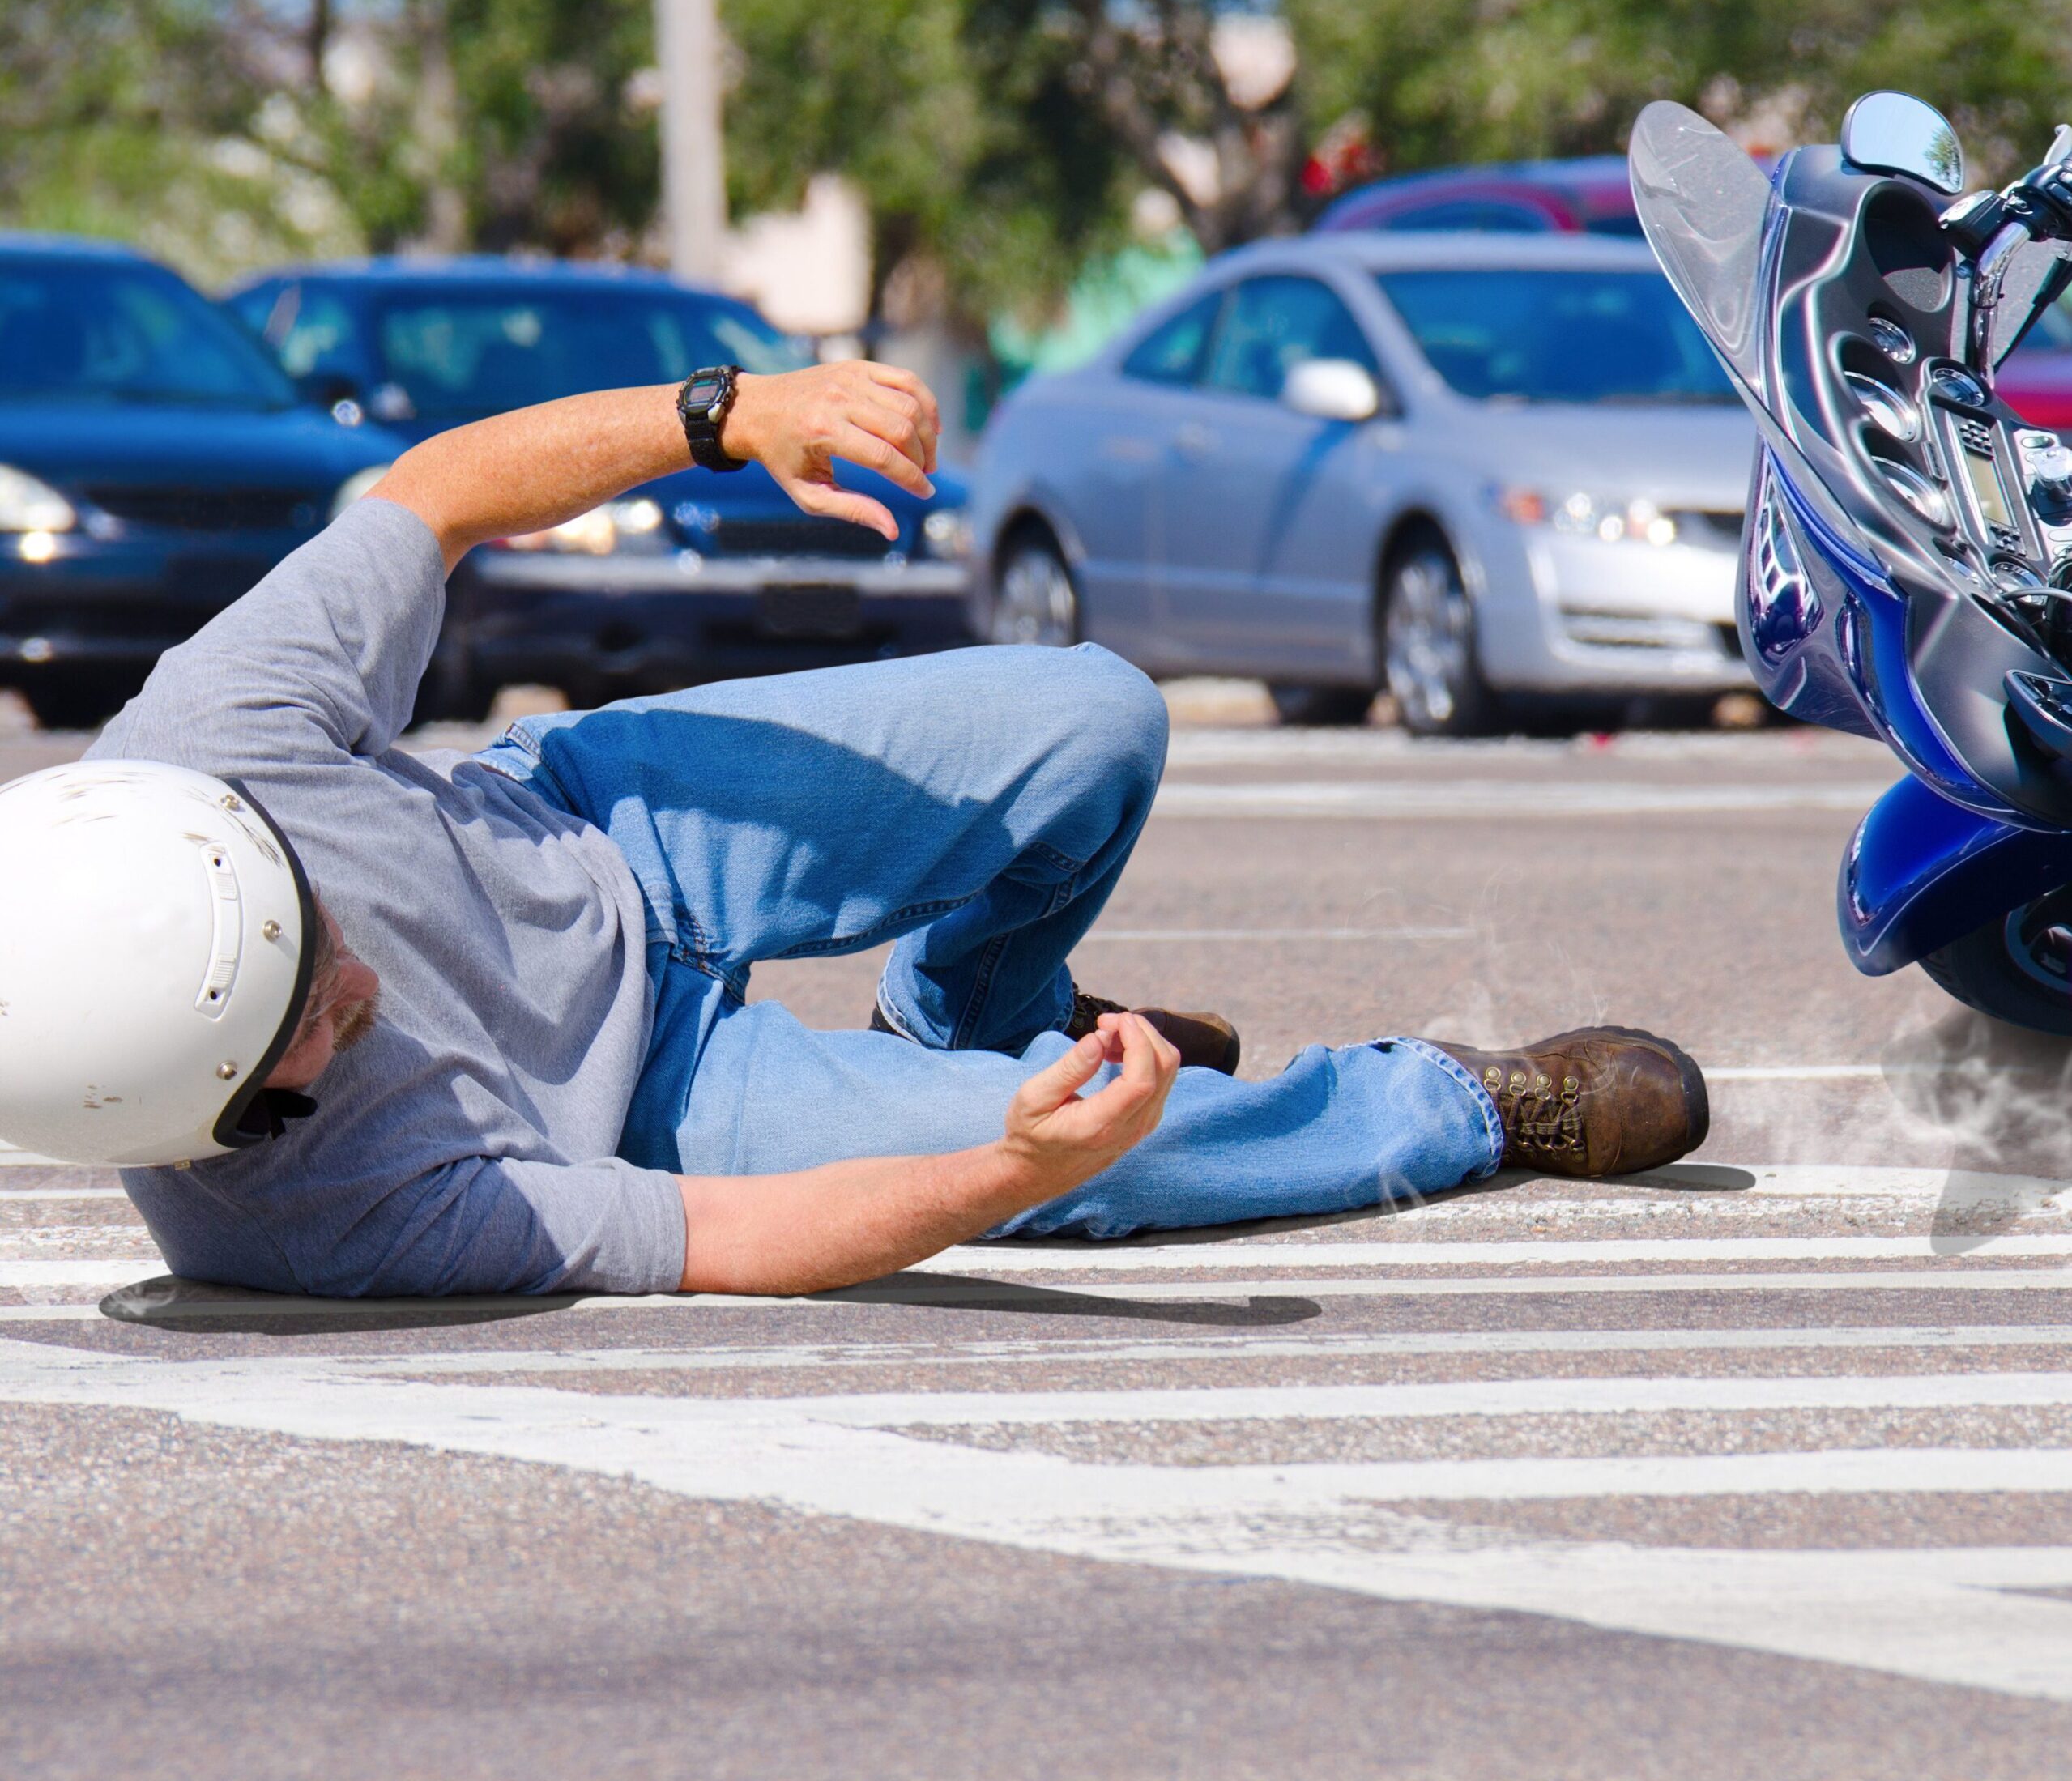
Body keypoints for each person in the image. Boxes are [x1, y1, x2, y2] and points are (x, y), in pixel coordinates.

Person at [0, 362, 1708, 1299]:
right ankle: (1470, 1105)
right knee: (1126, 1155)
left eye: (312, 931)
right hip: (652, 1110)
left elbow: (430, 496)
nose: (353, 980)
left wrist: (733, 414)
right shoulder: (312, 1227)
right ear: (216, 1122)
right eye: (310, 1033)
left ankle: (968, 1008)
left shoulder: (204, 735)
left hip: (602, 827)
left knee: (1095, 714)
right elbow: (726, 1241)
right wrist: (1000, 1170)